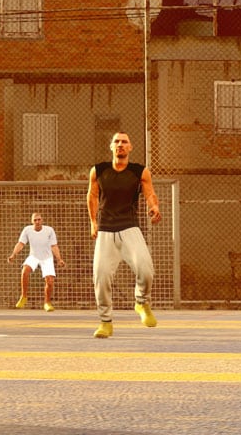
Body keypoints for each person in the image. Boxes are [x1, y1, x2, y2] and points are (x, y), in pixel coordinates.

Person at [87, 131, 161, 338]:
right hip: (105, 230)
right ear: (111, 146)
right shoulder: (98, 170)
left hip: (130, 228)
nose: (120, 144)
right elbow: (92, 196)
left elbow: (150, 193)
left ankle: (141, 302)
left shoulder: (140, 171)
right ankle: (105, 322)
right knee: (101, 276)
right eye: (117, 142)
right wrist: (93, 222)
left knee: (146, 269)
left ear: (130, 147)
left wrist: (154, 207)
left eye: (124, 142)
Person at [7, 212, 64, 311]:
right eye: (35, 220)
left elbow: (54, 246)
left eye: (39, 220)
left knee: (50, 281)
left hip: (47, 258)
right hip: (33, 256)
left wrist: (59, 259)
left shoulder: (49, 230)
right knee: (24, 271)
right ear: (32, 221)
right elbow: (20, 244)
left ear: (42, 220)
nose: (37, 222)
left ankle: (47, 303)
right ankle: (23, 296)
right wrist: (13, 254)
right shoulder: (27, 230)